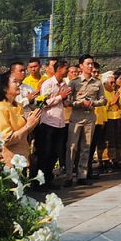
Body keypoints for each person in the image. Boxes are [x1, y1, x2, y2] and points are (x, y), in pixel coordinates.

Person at [0, 71, 43, 167]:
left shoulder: (17, 105)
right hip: (8, 161)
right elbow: (6, 139)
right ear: (4, 88)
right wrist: (28, 126)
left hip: (21, 159)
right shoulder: (0, 108)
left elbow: (22, 132)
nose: (18, 84)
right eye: (14, 82)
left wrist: (32, 122)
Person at [66, 55, 103, 187]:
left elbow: (103, 100)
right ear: (81, 66)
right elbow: (67, 101)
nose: (90, 66)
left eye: (92, 63)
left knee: (86, 147)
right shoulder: (74, 82)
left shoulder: (97, 82)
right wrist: (79, 103)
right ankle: (69, 176)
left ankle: (82, 175)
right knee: (72, 147)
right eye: (88, 63)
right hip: (76, 117)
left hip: (90, 117)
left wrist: (92, 103)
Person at [36, 59, 72, 187]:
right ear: (59, 69)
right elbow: (43, 103)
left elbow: (65, 103)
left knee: (55, 153)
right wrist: (60, 97)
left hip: (60, 123)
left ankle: (49, 179)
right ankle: (40, 182)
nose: (67, 71)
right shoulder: (48, 84)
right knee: (45, 153)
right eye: (66, 68)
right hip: (48, 123)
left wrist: (66, 99)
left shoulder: (64, 84)